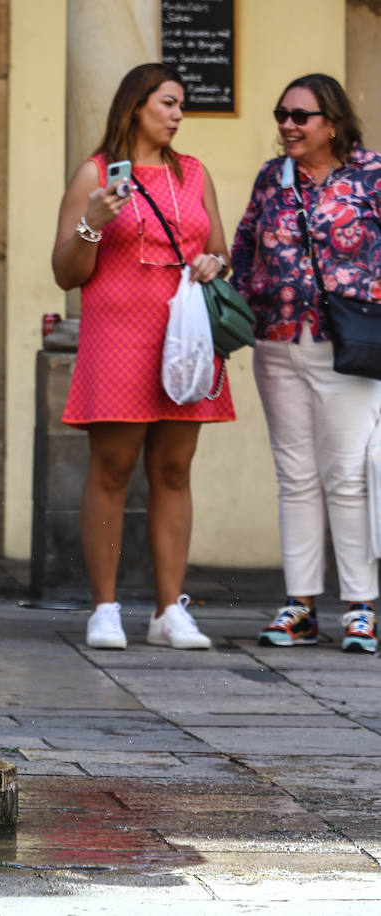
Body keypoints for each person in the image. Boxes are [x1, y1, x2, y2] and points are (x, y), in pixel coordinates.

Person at [51, 63, 234, 651]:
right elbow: (66, 272)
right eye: (169, 103)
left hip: (186, 336)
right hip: (118, 333)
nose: (179, 115)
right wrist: (91, 224)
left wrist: (214, 264)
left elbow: (220, 250)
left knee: (175, 470)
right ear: (136, 107)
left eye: (181, 105)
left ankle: (168, 610)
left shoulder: (195, 173)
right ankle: (105, 607)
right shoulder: (96, 174)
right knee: (111, 468)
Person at [231, 74, 381, 654]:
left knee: (345, 477)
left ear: (333, 123)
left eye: (302, 116)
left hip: (349, 346)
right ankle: (300, 606)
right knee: (294, 476)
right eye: (282, 114)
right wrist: (244, 298)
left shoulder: (370, 174)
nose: (288, 125)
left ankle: (361, 607)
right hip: (277, 342)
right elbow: (246, 246)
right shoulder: (274, 178)